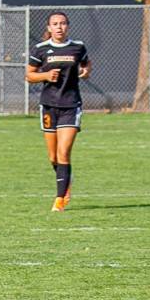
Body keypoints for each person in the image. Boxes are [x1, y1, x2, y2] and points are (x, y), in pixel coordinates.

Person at [25, 11, 91, 212]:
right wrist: (45, 74)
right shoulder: (40, 49)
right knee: (53, 157)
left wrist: (86, 71)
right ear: (49, 28)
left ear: (67, 26)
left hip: (71, 105)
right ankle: (66, 181)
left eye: (62, 23)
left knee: (64, 152)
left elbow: (86, 63)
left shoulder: (77, 47)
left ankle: (59, 199)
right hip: (49, 106)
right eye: (55, 24)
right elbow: (29, 75)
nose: (59, 27)